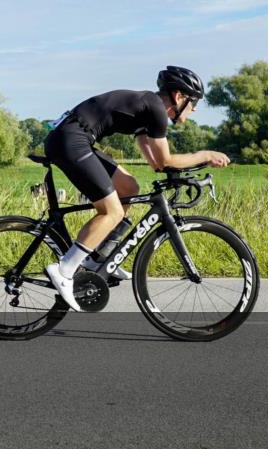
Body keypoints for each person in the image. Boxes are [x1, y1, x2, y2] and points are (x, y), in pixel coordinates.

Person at [42, 66, 230, 311]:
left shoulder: (148, 110)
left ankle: (99, 257)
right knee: (112, 212)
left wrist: (174, 171)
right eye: (193, 103)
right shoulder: (154, 109)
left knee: (129, 187)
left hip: (73, 137)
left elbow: (156, 162)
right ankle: (65, 270)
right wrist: (205, 154)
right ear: (178, 97)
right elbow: (165, 160)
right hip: (71, 140)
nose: (194, 110)